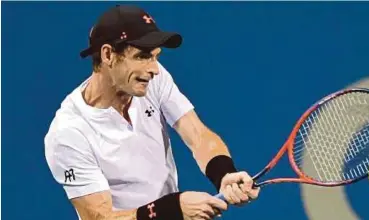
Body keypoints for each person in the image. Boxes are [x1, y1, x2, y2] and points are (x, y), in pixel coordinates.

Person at [44, 4, 259, 220]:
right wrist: (172, 210)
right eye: (142, 56)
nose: (154, 69)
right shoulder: (68, 134)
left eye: (156, 56)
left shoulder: (151, 80)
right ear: (108, 54)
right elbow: (99, 217)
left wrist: (224, 174)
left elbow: (198, 135)